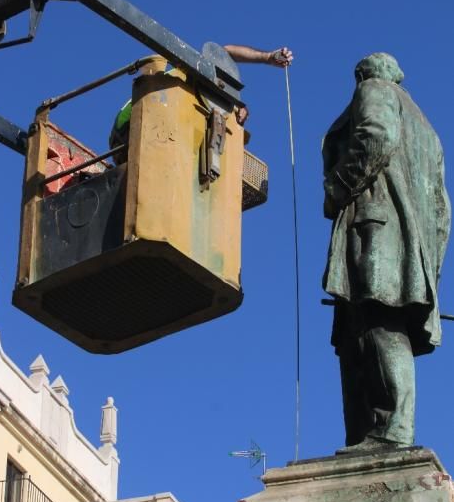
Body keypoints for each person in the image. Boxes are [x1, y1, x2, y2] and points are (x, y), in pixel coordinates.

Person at [322, 52, 451, 453]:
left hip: (376, 228)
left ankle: (388, 430)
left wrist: (338, 187)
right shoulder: (427, 131)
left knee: (377, 320)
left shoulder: (374, 90)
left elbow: (375, 135)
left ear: (363, 74)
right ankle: (375, 431)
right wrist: (431, 264)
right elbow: (442, 209)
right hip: (406, 241)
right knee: (370, 326)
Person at [109, 44, 293, 156]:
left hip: (153, 134)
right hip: (128, 130)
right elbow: (225, 52)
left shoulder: (198, 109)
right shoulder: (190, 73)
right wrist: (266, 57)